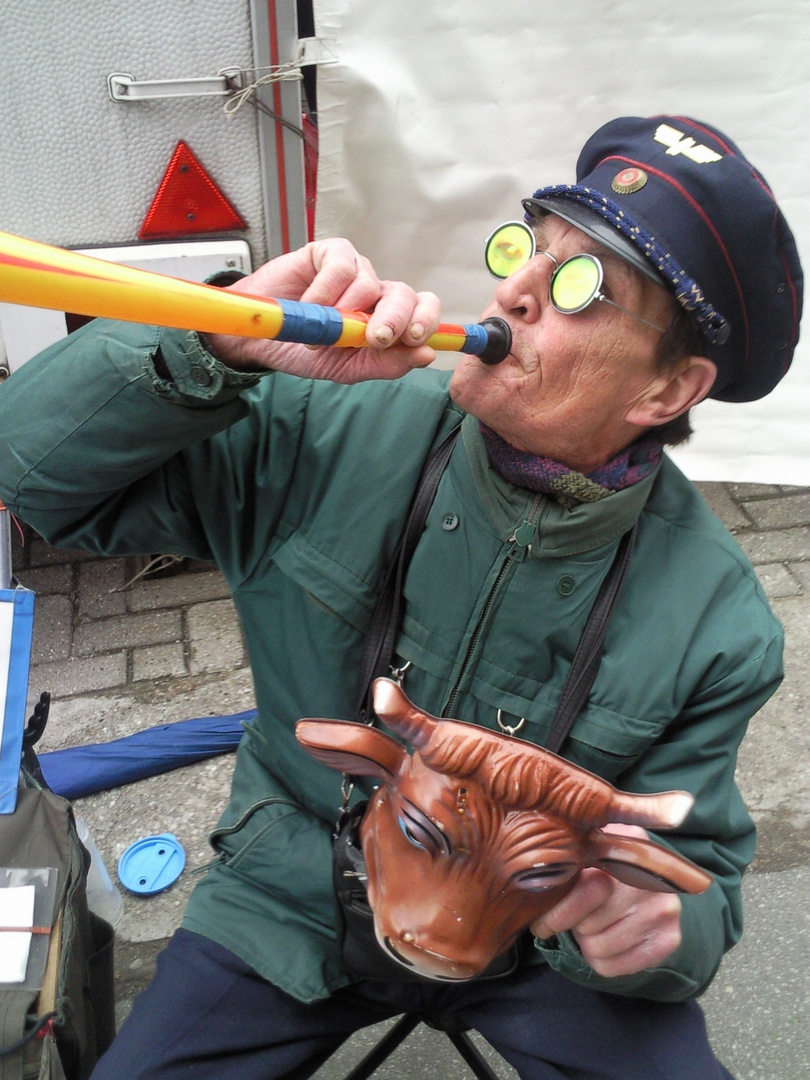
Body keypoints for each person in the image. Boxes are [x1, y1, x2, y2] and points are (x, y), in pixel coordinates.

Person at [0, 115, 802, 1080]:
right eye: (527, 249)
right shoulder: (324, 421)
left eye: (579, 285)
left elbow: (700, 876)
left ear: (669, 388)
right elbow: (33, 477)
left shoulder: (721, 621)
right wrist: (219, 346)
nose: (512, 291)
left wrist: (658, 932)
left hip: (532, 933)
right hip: (292, 884)